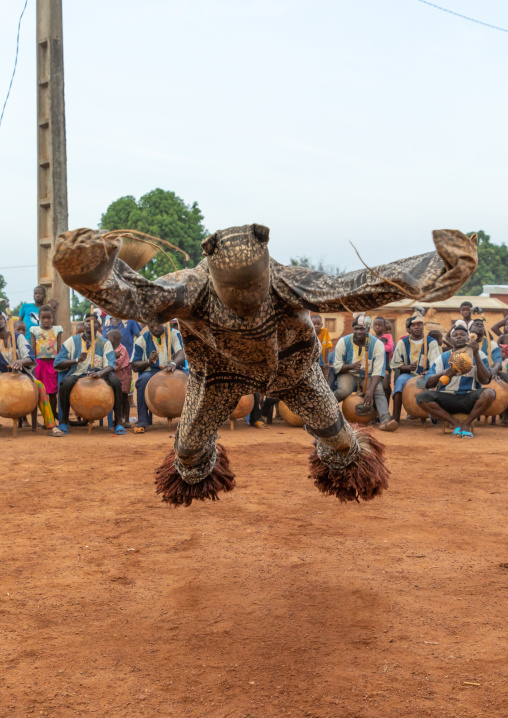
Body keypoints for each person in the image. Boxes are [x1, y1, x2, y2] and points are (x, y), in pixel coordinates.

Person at [53, 224, 476, 505]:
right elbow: (134, 295)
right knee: (186, 450)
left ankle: (344, 457)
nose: (245, 306)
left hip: (293, 370)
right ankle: (199, 464)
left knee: (342, 442)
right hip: (216, 374)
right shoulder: (188, 288)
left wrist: (438, 268)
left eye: (251, 292)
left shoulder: (288, 280)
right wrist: (87, 271)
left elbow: (360, 286)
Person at [415, 325, 495, 438]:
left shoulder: (479, 354)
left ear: (468, 338)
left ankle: (466, 424)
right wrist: (443, 373)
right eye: (455, 335)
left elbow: (485, 380)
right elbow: (428, 383)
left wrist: (476, 354)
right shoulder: (443, 357)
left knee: (490, 393)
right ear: (451, 339)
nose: (459, 337)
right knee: (422, 397)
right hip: (447, 399)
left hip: (469, 398)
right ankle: (454, 423)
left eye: (462, 335)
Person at [54, 312, 125, 435]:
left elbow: (110, 364)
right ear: (83, 323)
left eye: (94, 321)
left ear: (98, 325)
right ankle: (64, 421)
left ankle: (118, 422)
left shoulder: (105, 343)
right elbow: (58, 362)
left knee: (116, 383)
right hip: (78, 374)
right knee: (65, 384)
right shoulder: (72, 340)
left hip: (101, 375)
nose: (91, 323)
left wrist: (100, 373)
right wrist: (76, 360)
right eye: (88, 321)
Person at [0, 311, 63, 436]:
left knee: (40, 386)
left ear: (5, 320)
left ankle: (51, 426)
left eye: (0, 318)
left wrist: (21, 361)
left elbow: (30, 358)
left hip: (23, 377)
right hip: (2, 379)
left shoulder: (18, 337)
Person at [333, 316, 398, 431]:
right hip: (349, 374)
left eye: (362, 329)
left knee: (378, 390)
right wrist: (351, 366)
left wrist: (370, 390)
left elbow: (378, 370)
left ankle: (385, 419)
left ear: (368, 329)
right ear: (353, 329)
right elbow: (337, 366)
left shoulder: (377, 344)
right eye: (356, 328)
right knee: (343, 391)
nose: (359, 331)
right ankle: (322, 415)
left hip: (369, 376)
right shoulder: (343, 342)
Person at [131, 323, 186, 433]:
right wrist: (149, 361)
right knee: (142, 381)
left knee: (193, 382)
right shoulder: (141, 340)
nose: (155, 328)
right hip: (153, 371)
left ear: (164, 322)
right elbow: (134, 365)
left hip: (176, 368)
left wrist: (173, 364)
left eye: (158, 325)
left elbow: (182, 353)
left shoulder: (174, 334)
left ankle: (191, 420)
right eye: (151, 326)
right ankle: (142, 420)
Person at [390, 313, 440, 424]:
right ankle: (395, 418)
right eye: (413, 325)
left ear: (423, 326)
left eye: (419, 324)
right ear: (409, 329)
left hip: (427, 375)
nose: (417, 327)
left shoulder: (431, 342)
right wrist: (407, 367)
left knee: (436, 384)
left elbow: (436, 363)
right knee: (399, 383)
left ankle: (435, 415)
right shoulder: (403, 343)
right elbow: (395, 363)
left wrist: (429, 371)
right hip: (408, 375)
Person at [30, 304, 63, 421]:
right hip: (38, 364)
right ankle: (36, 421)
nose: (46, 320)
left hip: (52, 364)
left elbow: (59, 349)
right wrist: (32, 365)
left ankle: (52, 419)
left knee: (52, 393)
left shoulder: (57, 329)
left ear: (53, 317)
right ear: (39, 317)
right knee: (37, 393)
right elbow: (33, 349)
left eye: (49, 317)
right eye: (43, 318)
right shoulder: (34, 330)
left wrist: (59, 363)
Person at [106, 328, 131, 426]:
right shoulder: (109, 349)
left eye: (108, 338)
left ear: (114, 338)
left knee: (124, 398)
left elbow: (116, 364)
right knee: (116, 399)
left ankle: (126, 419)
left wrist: (110, 358)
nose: (106, 340)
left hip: (123, 377)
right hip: (115, 377)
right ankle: (118, 418)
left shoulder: (122, 349)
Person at [371, 316, 394, 402]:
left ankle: (386, 405)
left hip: (385, 366)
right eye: (375, 325)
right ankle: (375, 410)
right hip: (374, 367)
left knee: (385, 386)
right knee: (375, 387)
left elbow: (390, 348)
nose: (377, 327)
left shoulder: (388, 336)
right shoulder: (372, 338)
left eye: (379, 325)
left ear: (384, 327)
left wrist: (377, 347)